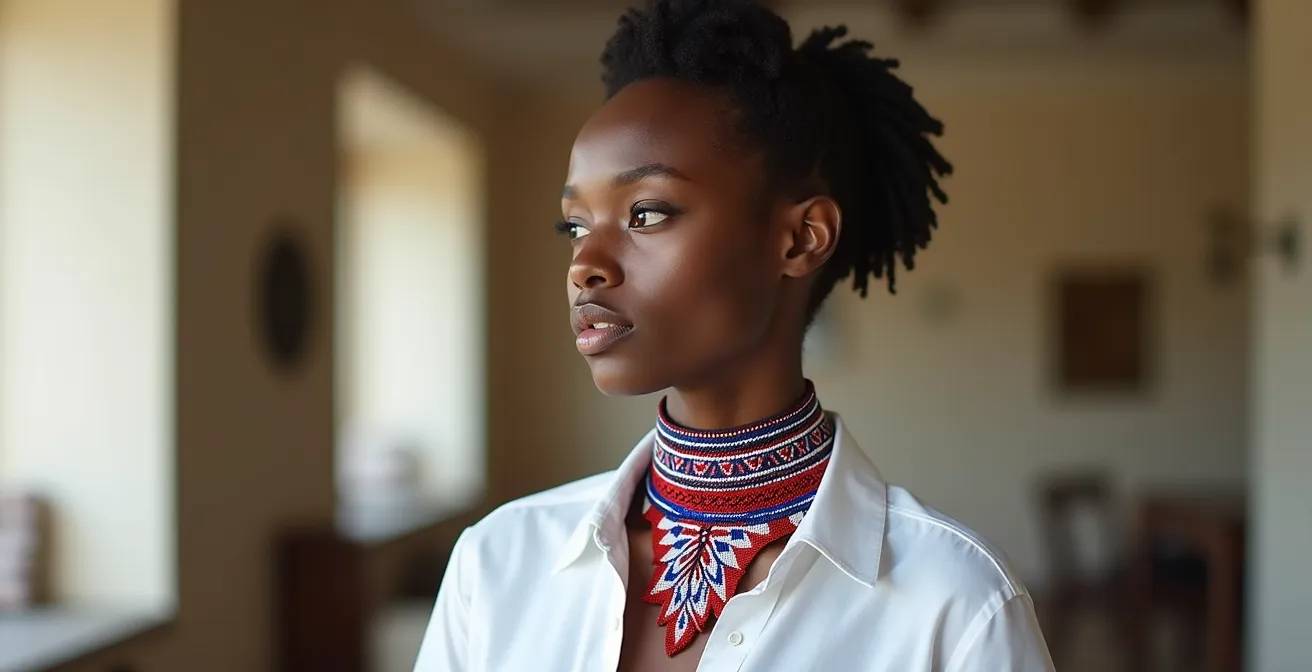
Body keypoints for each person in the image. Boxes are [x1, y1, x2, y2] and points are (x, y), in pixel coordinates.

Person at [415, 0, 1054, 669]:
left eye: (647, 213)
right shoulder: (495, 566)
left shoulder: (956, 606)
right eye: (575, 225)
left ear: (801, 238)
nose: (586, 264)